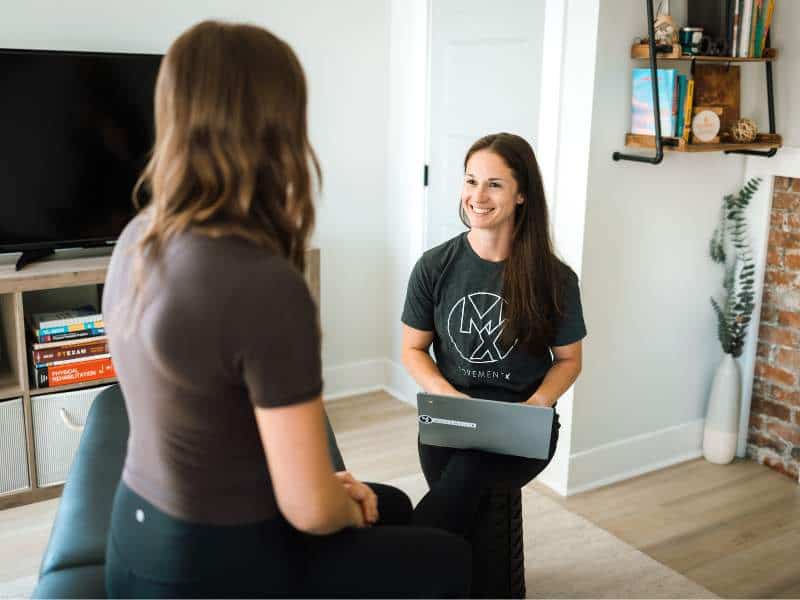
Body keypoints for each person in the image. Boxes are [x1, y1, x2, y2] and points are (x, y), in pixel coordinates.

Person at [103, 20, 470, 598]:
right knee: (448, 557)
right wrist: (338, 502)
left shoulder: (137, 239)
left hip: (135, 538)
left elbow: (215, 416)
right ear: (276, 126)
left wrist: (327, 485)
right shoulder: (261, 285)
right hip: (213, 568)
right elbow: (309, 512)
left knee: (394, 502)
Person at [401, 133, 586, 537]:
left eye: (494, 184)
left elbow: (570, 360)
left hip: (523, 423)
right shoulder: (434, 267)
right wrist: (446, 395)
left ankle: (403, 561)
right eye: (470, 181)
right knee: (460, 499)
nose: (477, 195)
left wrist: (538, 404)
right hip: (450, 416)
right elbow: (413, 349)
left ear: (522, 194)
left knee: (465, 477)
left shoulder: (556, 279)